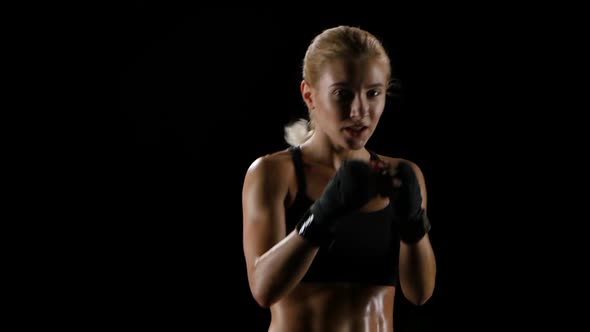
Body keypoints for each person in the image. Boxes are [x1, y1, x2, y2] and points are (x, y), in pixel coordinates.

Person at [241, 25, 436, 332]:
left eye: (373, 93)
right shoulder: (275, 172)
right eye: (343, 94)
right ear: (310, 94)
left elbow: (420, 293)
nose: (360, 111)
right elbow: (263, 290)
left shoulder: (400, 175)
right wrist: (323, 213)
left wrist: (414, 222)